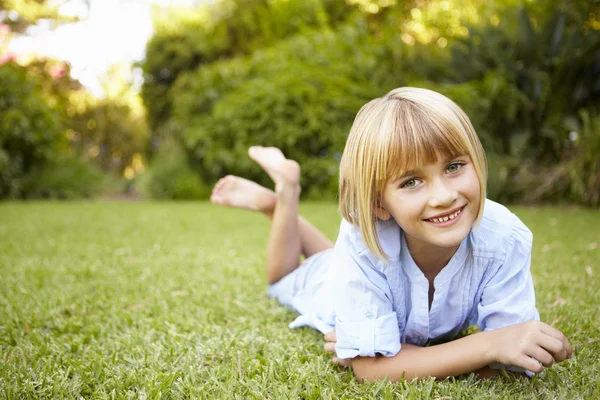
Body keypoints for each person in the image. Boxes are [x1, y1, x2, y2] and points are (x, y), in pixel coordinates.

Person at [209, 87, 573, 382]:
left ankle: (280, 203)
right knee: (287, 280)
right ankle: (283, 197)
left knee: (336, 260)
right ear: (379, 204)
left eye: (455, 166)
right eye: (411, 181)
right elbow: (371, 370)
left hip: (360, 268)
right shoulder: (364, 240)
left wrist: (399, 357)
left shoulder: (504, 237)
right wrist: (488, 345)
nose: (444, 195)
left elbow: (513, 363)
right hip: (332, 284)